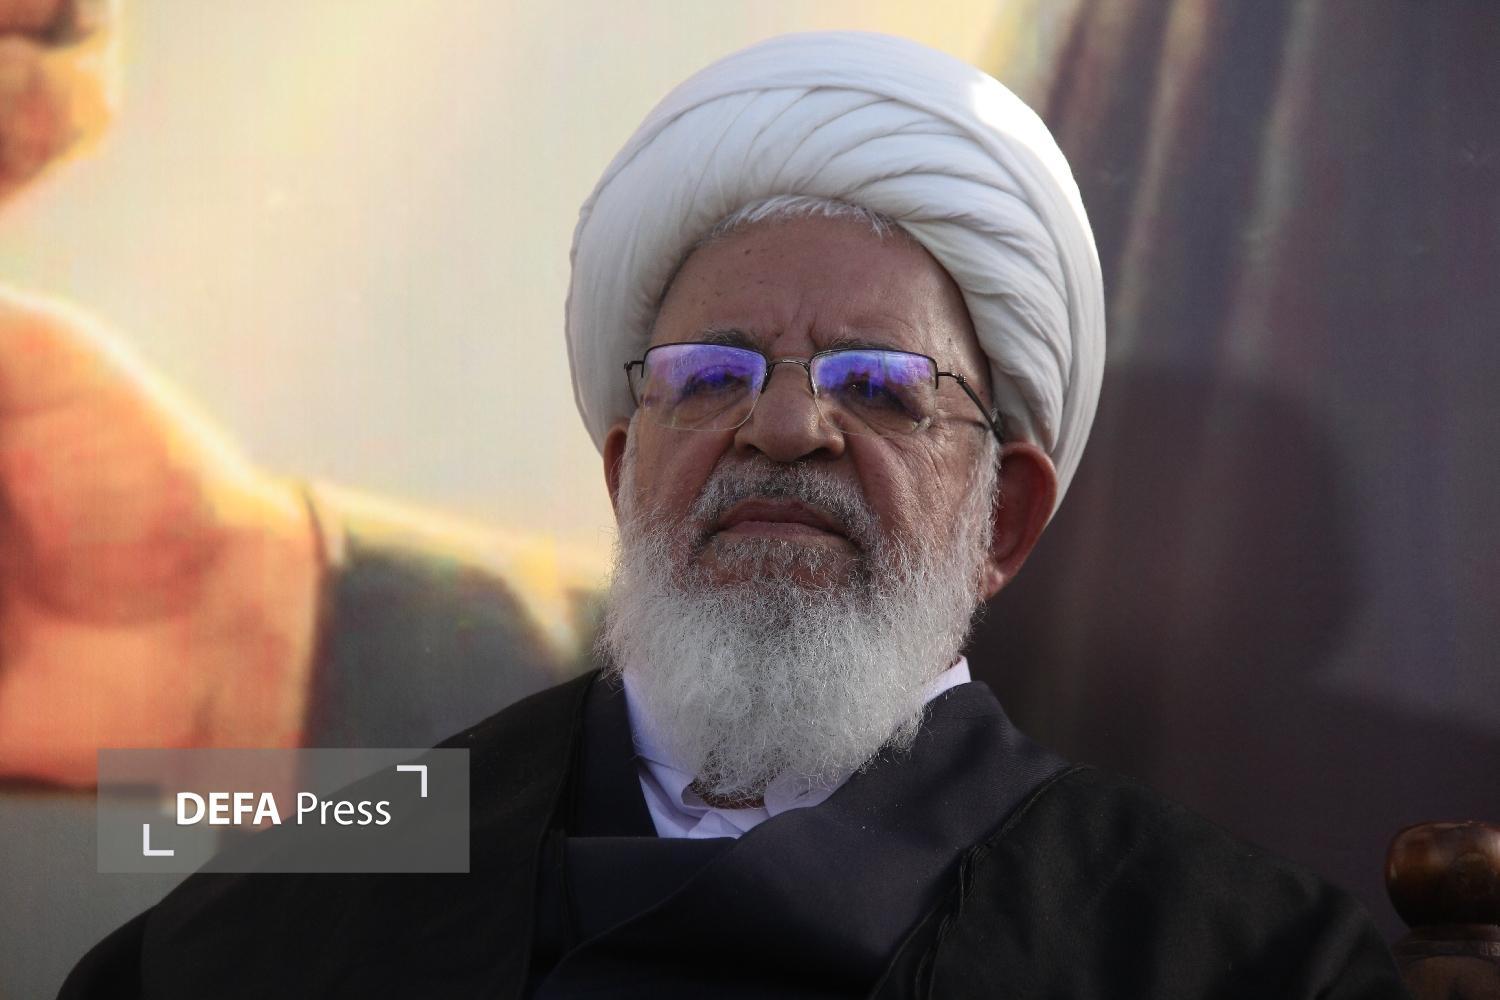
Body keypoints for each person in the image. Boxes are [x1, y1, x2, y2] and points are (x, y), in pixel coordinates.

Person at [57, 30, 1407, 999]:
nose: (784, 425)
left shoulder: (1244, 961)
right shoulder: (294, 908)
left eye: (880, 387)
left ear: (1003, 519)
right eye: (710, 377)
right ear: (624, 473)